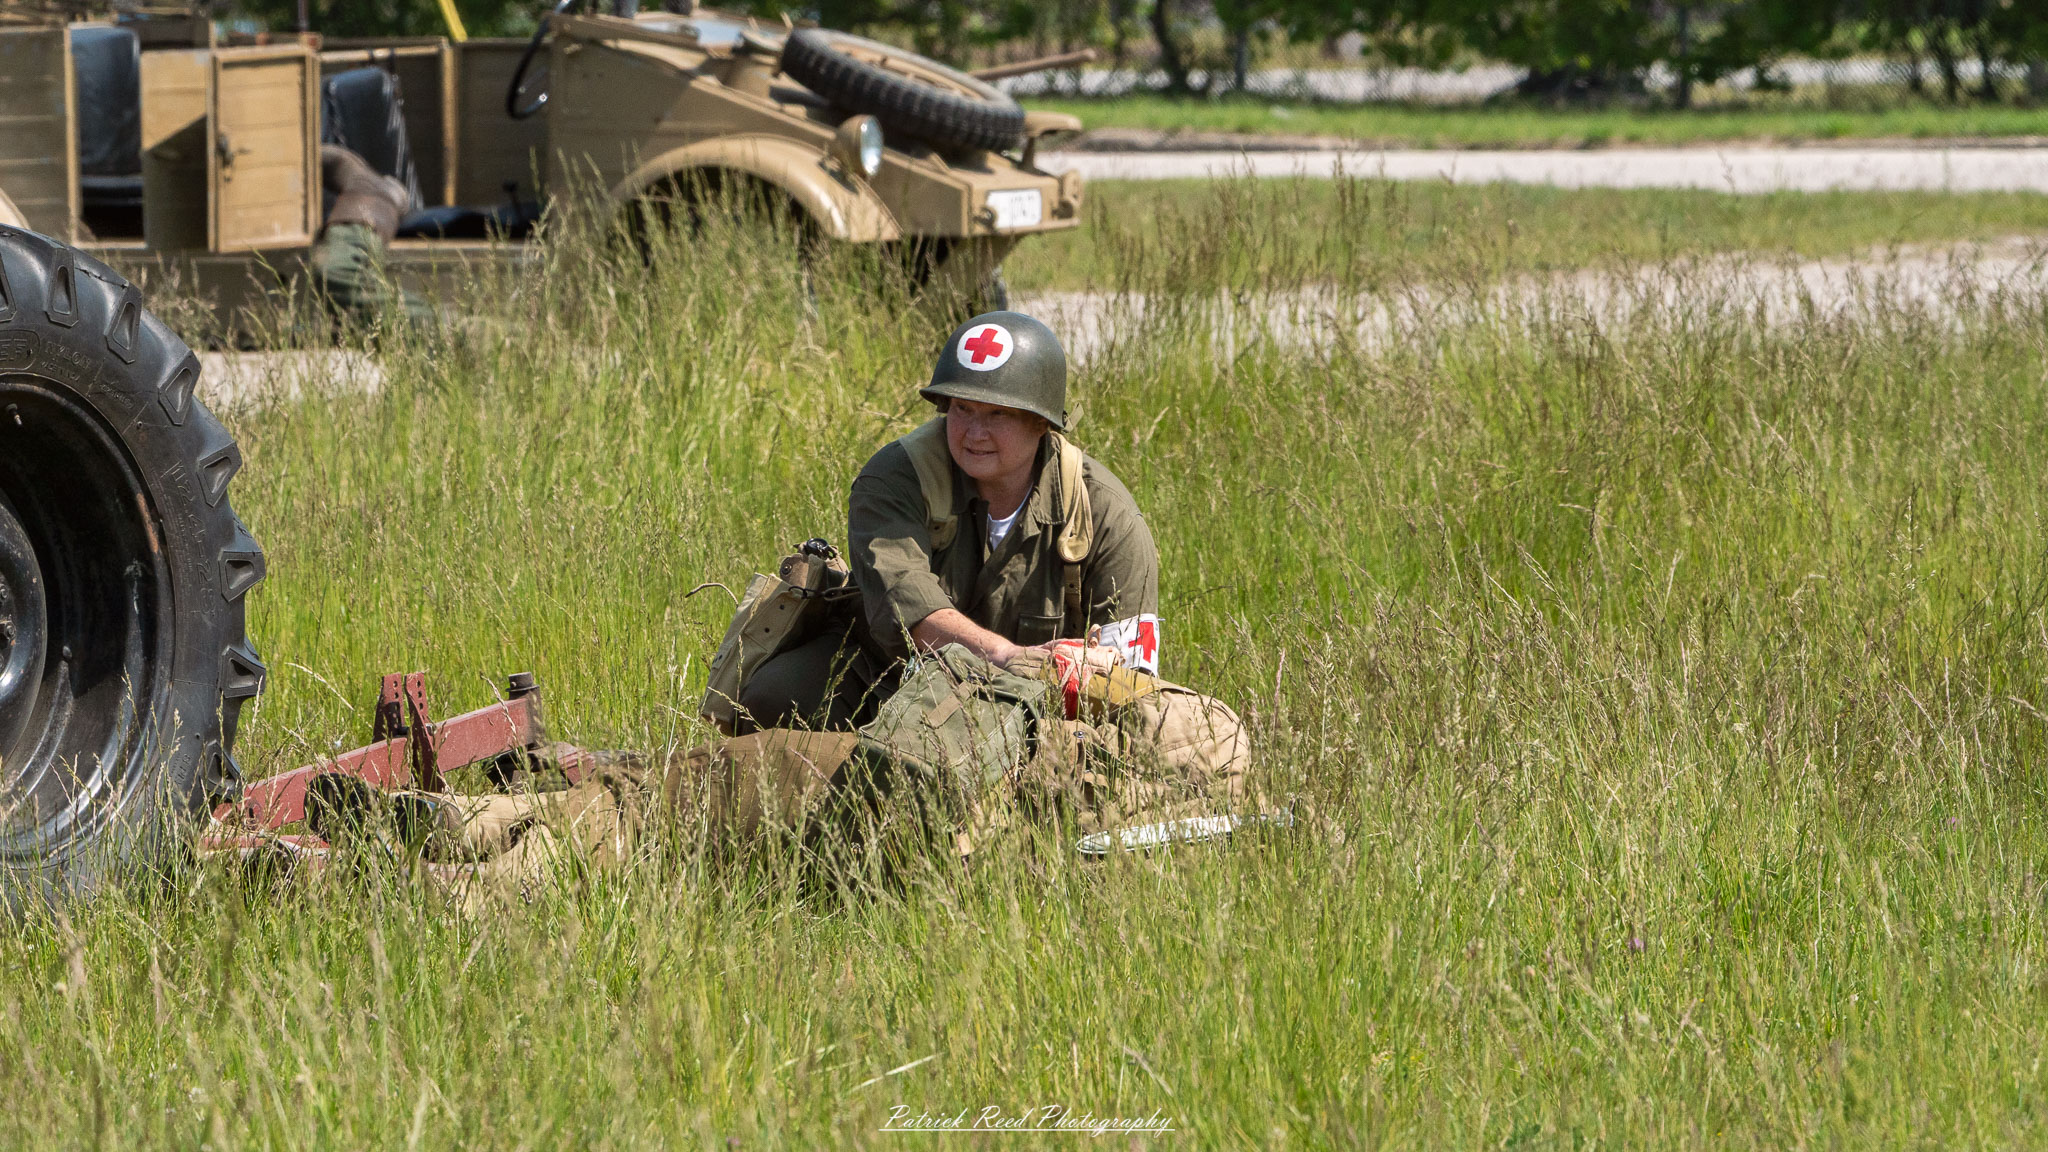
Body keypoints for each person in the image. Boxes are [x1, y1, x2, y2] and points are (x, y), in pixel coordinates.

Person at [736, 311, 1163, 731]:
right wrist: (1009, 657)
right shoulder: (896, 477)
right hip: (888, 674)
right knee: (768, 700)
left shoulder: (1104, 512)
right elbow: (910, 612)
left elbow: (1134, 673)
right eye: (962, 408)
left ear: (1041, 423)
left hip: (1032, 705)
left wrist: (1090, 671)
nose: (974, 432)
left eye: (998, 414)